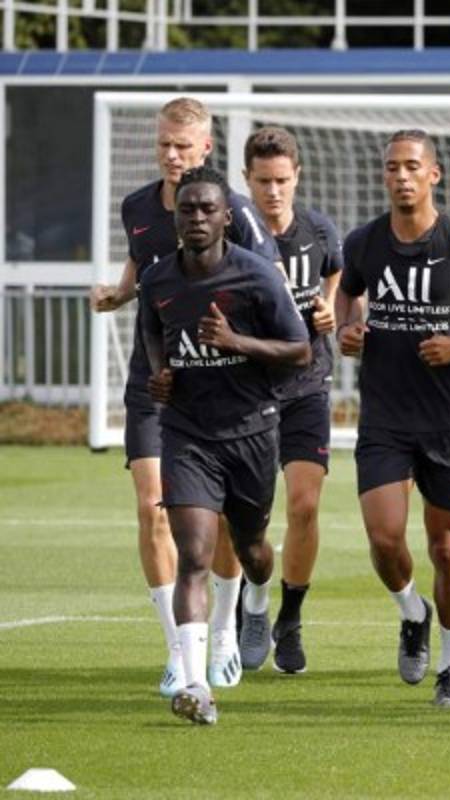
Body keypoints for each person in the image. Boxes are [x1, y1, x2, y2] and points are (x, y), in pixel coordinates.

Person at [89, 96, 281, 695]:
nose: (171, 155)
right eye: (163, 145)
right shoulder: (137, 208)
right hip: (158, 381)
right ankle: (179, 651)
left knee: (222, 523)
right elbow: (146, 272)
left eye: (182, 146)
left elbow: (267, 285)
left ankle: (224, 627)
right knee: (154, 508)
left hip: (224, 387)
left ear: (206, 149)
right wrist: (119, 295)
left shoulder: (237, 214)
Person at [335, 130, 450, 708]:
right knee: (386, 539)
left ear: (434, 176)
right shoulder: (364, 242)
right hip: (384, 417)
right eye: (392, 168)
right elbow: (348, 292)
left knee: (446, 547)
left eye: (412, 167)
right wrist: (348, 327)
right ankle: (412, 610)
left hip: (448, 421)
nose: (401, 177)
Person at [139, 165, 312, 724]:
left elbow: (300, 350)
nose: (196, 218)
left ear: (226, 216)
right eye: (187, 209)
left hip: (252, 431)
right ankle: (194, 682)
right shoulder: (160, 278)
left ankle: (252, 606)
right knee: (192, 554)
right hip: (188, 432)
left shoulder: (258, 276)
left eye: (207, 209)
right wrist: (161, 372)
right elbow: (151, 328)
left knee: (253, 548)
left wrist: (236, 341)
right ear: (175, 215)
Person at [242, 126, 344, 674]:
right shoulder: (235, 236)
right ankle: (251, 603)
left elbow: (338, 276)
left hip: (308, 385)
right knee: (250, 517)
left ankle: (291, 618)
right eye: (263, 181)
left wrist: (331, 310)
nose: (274, 191)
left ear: (297, 177)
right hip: (250, 388)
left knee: (304, 504)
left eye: (282, 180)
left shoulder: (319, 229)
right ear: (246, 181)